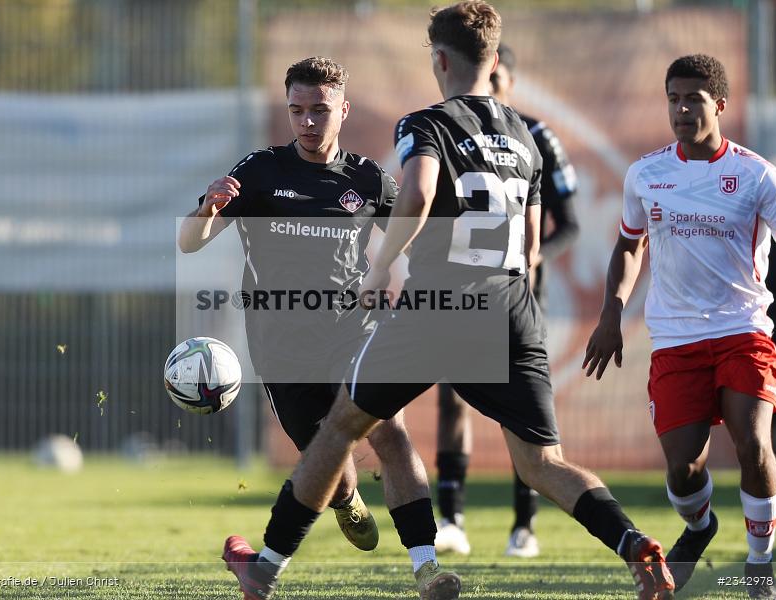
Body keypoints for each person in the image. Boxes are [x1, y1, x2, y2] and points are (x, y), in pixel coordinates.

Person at [223, 3, 674, 600]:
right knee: (542, 464)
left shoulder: (426, 124)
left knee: (341, 428)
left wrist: (382, 267)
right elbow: (534, 243)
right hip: (512, 306)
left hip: (440, 304)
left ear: (439, 59)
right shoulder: (526, 134)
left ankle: (266, 569)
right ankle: (635, 545)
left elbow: (418, 193)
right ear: (493, 60)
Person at [178, 56, 441, 591]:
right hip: (279, 345)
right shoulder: (259, 171)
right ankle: (346, 496)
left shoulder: (367, 180)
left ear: (342, 110)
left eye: (320, 110)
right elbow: (188, 242)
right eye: (297, 111)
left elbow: (417, 231)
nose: (308, 122)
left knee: (390, 430)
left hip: (354, 329)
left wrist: (398, 272)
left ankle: (427, 565)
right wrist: (208, 208)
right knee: (326, 457)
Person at [584, 54, 776, 599]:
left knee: (752, 442)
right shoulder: (646, 174)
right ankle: (701, 527)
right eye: (673, 97)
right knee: (683, 471)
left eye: (693, 98)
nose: (680, 108)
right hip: (675, 339)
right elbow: (630, 245)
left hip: (743, 330)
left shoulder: (758, 176)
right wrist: (611, 313)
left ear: (718, 104)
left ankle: (757, 567)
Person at [434, 43, 579, 559]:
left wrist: (532, 258)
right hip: (465, 293)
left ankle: (525, 525)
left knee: (522, 417)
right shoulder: (450, 133)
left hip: (518, 296)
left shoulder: (535, 135)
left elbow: (571, 222)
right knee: (453, 400)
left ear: (506, 82)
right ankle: (450, 518)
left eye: (494, 87)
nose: (485, 97)